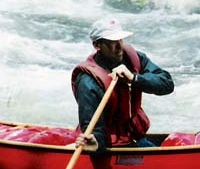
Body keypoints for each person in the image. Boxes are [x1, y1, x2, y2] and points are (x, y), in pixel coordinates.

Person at [72, 18, 174, 155]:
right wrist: (95, 145)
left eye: (120, 39)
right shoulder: (87, 81)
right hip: (109, 146)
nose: (119, 46)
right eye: (112, 42)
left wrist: (134, 78)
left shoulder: (134, 59)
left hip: (135, 138)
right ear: (97, 45)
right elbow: (94, 129)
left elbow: (167, 84)